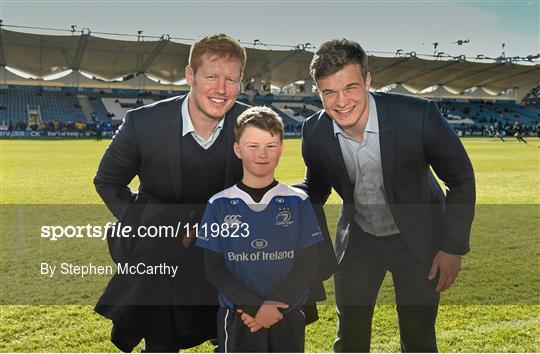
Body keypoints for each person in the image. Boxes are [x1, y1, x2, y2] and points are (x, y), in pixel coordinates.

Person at [299, 39, 476, 352]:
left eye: (350, 87)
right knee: (350, 338)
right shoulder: (314, 131)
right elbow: (316, 187)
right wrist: (280, 197)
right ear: (319, 91)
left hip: (418, 240)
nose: (341, 102)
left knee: (418, 336)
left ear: (368, 79)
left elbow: (460, 178)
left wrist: (452, 247)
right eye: (329, 92)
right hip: (359, 241)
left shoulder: (417, 115)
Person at [93, 33, 249, 352]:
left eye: (230, 79)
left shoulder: (252, 123)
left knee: (236, 338)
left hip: (224, 255)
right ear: (190, 75)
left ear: (241, 80)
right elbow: (108, 180)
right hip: (163, 255)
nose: (221, 89)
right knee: (161, 343)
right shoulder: (143, 122)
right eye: (211, 77)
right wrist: (151, 227)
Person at [196, 106, 326, 352]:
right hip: (238, 315)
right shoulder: (218, 203)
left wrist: (274, 306)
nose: (262, 154)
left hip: (286, 313)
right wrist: (254, 308)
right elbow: (214, 269)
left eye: (270, 145)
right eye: (252, 146)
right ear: (238, 149)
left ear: (281, 149)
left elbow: (309, 264)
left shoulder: (298, 201)